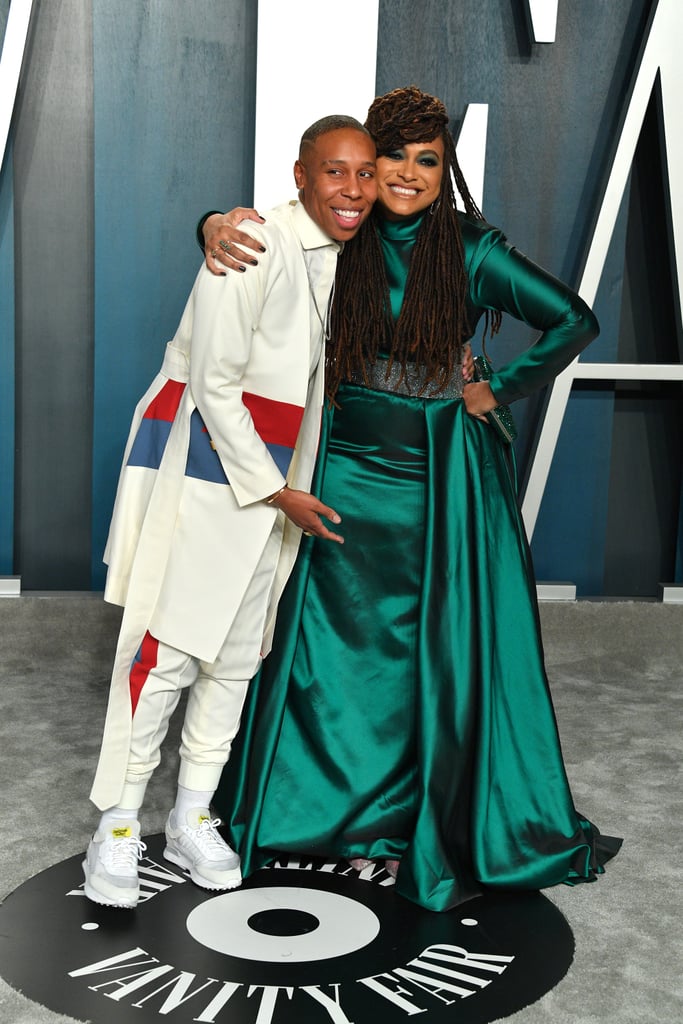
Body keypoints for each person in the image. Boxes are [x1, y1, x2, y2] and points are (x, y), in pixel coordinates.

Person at [200, 86, 621, 912]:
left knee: (436, 651)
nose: (405, 174)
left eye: (427, 161)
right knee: (330, 647)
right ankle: (316, 811)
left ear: (443, 171)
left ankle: (428, 813)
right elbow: (271, 228)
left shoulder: (469, 248)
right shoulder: (338, 232)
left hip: (439, 474)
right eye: (392, 155)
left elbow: (572, 319)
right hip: (343, 463)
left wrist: (496, 389)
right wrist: (212, 222)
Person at [82, 115, 377, 909]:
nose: (351, 190)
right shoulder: (250, 243)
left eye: (363, 174)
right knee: (165, 652)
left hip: (277, 487)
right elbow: (212, 389)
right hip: (205, 471)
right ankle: (115, 825)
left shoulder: (352, 258)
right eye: (333, 172)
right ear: (299, 175)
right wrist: (279, 490)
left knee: (235, 658)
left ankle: (189, 816)